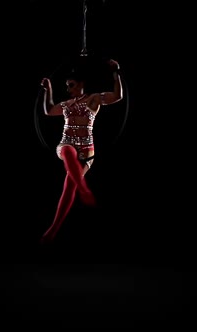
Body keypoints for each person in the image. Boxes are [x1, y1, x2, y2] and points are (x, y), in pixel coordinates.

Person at [39, 58, 123, 244]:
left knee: (69, 185)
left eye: (71, 85)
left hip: (86, 148)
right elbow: (48, 111)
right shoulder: (66, 104)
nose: (68, 89)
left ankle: (53, 229)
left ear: (82, 84)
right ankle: (84, 189)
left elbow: (117, 96)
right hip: (66, 143)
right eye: (67, 85)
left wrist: (115, 72)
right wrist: (48, 89)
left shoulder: (94, 100)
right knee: (68, 151)